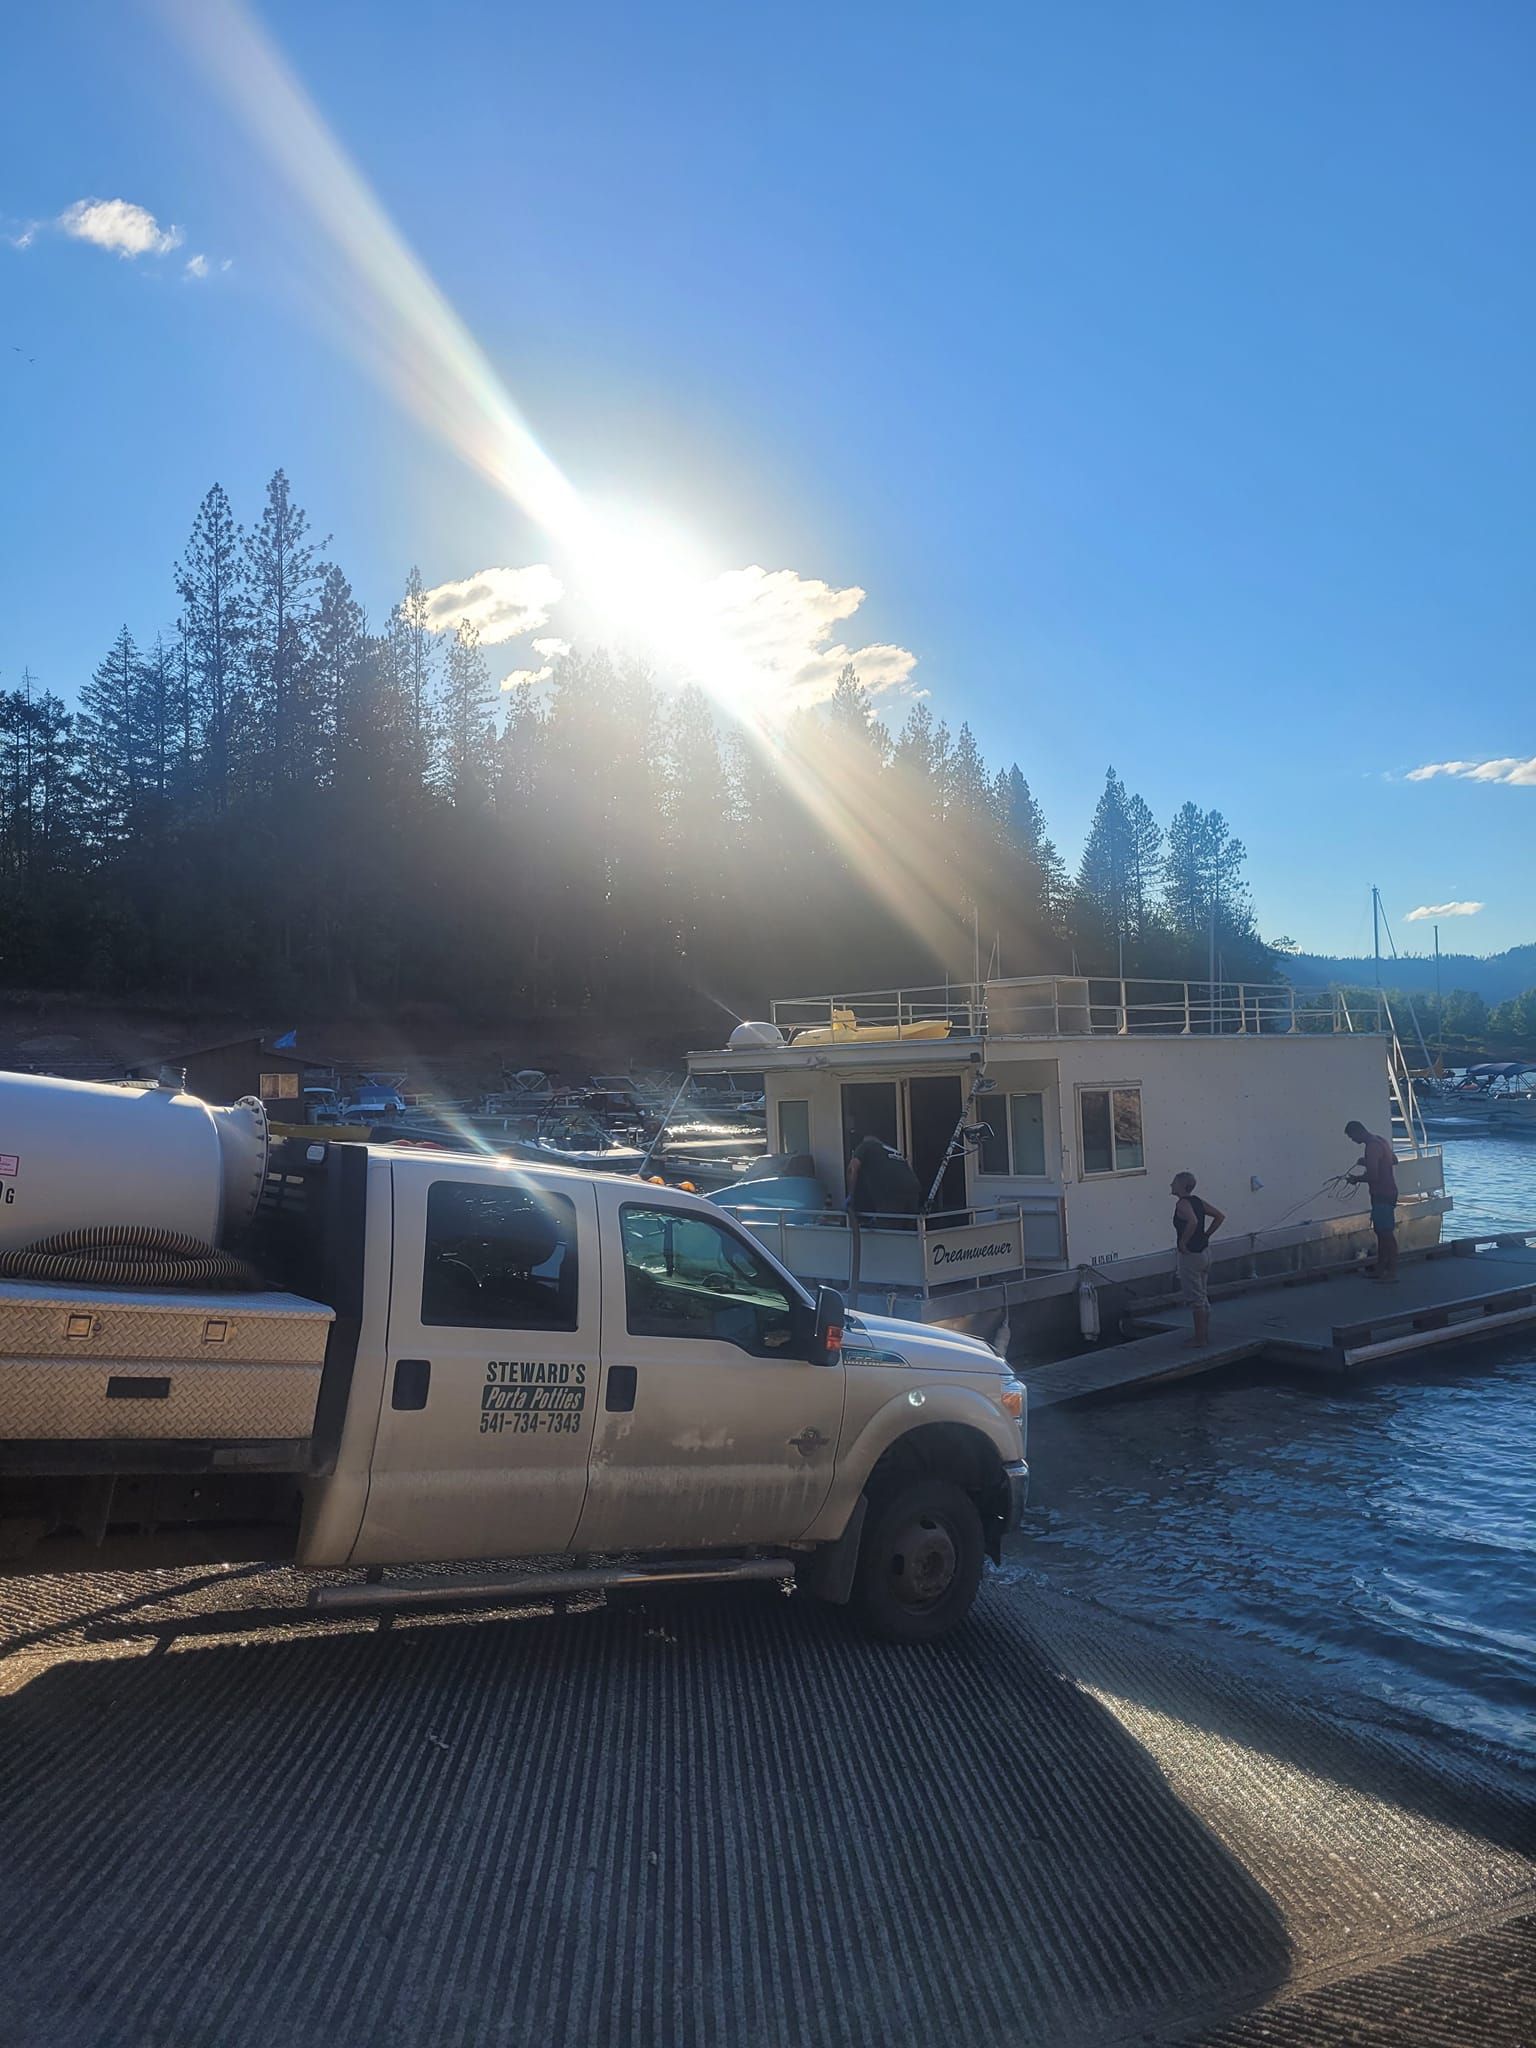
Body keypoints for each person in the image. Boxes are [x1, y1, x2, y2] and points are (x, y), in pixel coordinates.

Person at [1170, 1171, 1225, 1348]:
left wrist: (1183, 1242)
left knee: (1196, 1298)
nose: (1171, 1185)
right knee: (1203, 1296)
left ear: (1181, 1185)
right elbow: (1219, 1216)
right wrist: (1207, 1234)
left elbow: (1192, 1221)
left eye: (1174, 1182)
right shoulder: (1198, 1201)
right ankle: (1203, 1335)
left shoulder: (1182, 1204)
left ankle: (1199, 1339)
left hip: (1191, 1256)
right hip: (1205, 1253)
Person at [1344, 1119, 1399, 1281]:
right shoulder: (1380, 1140)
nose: (1353, 1141)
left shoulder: (1371, 1146)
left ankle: (1392, 1272)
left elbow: (1373, 1175)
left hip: (1381, 1193)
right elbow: (1393, 1160)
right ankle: (1381, 1268)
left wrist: (1356, 1179)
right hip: (1389, 1191)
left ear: (1357, 1132)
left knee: (1386, 1233)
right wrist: (1367, 1161)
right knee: (1381, 1232)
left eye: (1352, 1137)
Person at [847, 1134, 921, 1221]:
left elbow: (852, 1169)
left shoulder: (866, 1145)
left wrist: (851, 1196)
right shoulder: (892, 1150)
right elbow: (908, 1168)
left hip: (892, 1191)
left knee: (888, 1227)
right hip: (913, 1188)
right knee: (909, 1227)